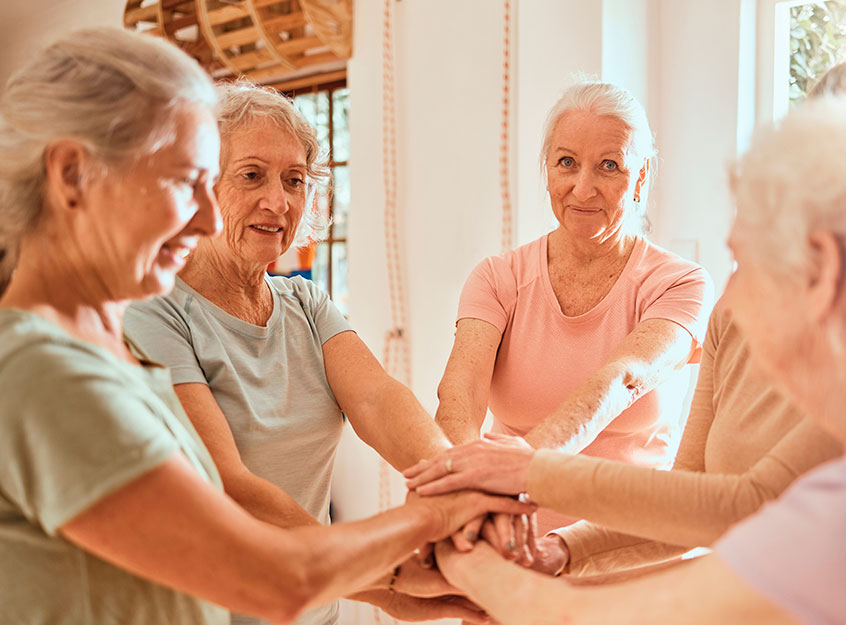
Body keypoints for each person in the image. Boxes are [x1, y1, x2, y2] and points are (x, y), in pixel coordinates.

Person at [0, 27, 532, 625]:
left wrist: (442, 493)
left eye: (292, 180)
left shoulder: (101, 351)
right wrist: (445, 515)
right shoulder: (41, 372)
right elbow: (268, 570)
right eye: (184, 181)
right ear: (72, 176)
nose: (206, 217)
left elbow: (381, 401)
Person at [430, 92, 846, 624]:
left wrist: (465, 565)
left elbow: (588, 617)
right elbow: (714, 497)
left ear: (823, 272)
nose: (727, 302)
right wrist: (555, 548)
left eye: (742, 264)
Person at [122, 80, 505, 625]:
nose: (278, 201)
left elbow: (377, 401)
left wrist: (457, 487)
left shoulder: (304, 301)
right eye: (251, 175)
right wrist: (386, 577)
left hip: (311, 608)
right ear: (200, 186)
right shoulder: (154, 313)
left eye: (294, 180)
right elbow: (228, 485)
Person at [434, 80, 713, 539]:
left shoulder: (680, 282)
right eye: (567, 163)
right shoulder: (498, 278)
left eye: (609, 166)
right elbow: (460, 394)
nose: (583, 188)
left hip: (629, 546)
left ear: (640, 177)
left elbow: (624, 378)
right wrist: (463, 492)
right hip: (510, 538)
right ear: (547, 169)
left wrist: (526, 467)